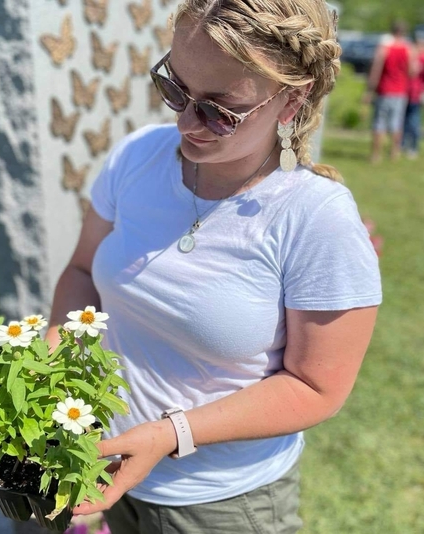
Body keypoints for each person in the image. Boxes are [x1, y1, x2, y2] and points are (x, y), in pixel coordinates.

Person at [47, 1, 382, 532]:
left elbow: (317, 387)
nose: (184, 120)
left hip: (221, 504)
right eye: (175, 87)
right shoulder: (137, 157)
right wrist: (55, 360)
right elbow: (83, 273)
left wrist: (168, 434)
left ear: (291, 99)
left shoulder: (315, 219)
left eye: (220, 108)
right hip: (107, 470)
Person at [366, 20, 416, 162]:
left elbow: (376, 69)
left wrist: (370, 89)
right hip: (400, 91)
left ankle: (376, 155)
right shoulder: (408, 48)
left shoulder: (384, 48)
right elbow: (412, 71)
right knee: (396, 122)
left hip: (384, 89)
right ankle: (394, 153)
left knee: (379, 122)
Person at [402, 31, 424, 159]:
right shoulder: (412, 54)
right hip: (406, 91)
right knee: (406, 119)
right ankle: (403, 144)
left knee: (413, 120)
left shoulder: (420, 57)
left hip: (415, 92)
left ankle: (413, 146)